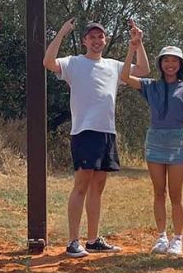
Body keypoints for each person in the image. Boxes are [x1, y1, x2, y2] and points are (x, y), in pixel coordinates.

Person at [43, 18, 150, 258]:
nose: (96, 40)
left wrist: (137, 43)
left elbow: (143, 70)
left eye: (100, 36)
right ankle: (73, 241)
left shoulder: (113, 66)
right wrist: (61, 32)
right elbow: (48, 62)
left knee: (98, 188)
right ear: (84, 41)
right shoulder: (73, 63)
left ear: (105, 40)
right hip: (84, 131)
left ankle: (92, 240)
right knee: (81, 186)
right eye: (91, 37)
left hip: (107, 132)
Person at [120, 30, 183, 257]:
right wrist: (133, 47)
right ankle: (161, 237)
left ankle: (178, 239)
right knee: (158, 192)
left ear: (180, 64)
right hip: (155, 140)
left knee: (176, 194)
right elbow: (125, 77)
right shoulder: (151, 85)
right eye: (166, 60)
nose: (170, 64)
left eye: (174, 61)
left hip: (176, 140)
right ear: (160, 63)